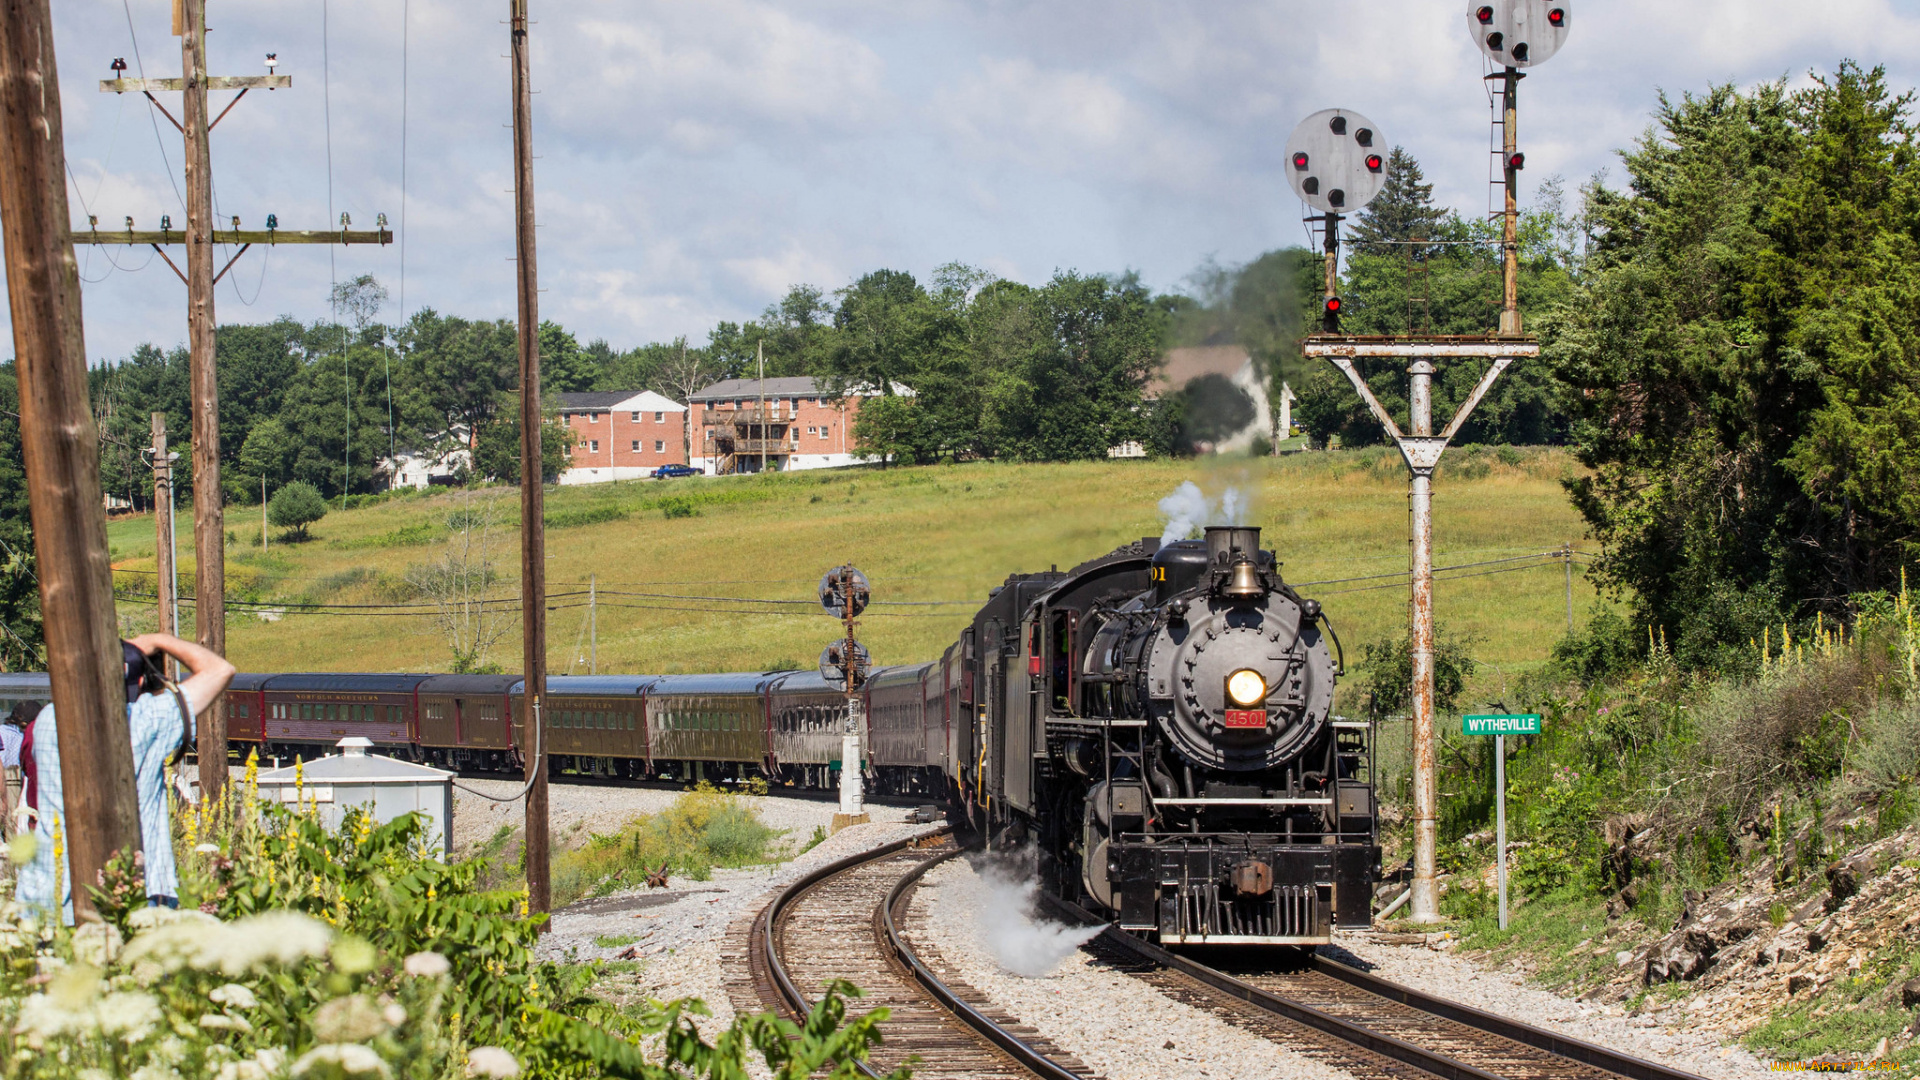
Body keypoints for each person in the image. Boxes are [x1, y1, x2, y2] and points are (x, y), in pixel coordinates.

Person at [13, 634, 235, 921]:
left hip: (48, 895)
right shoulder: (147, 719)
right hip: (134, 893)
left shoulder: (47, 720)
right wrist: (159, 640)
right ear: (141, 682)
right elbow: (220, 670)